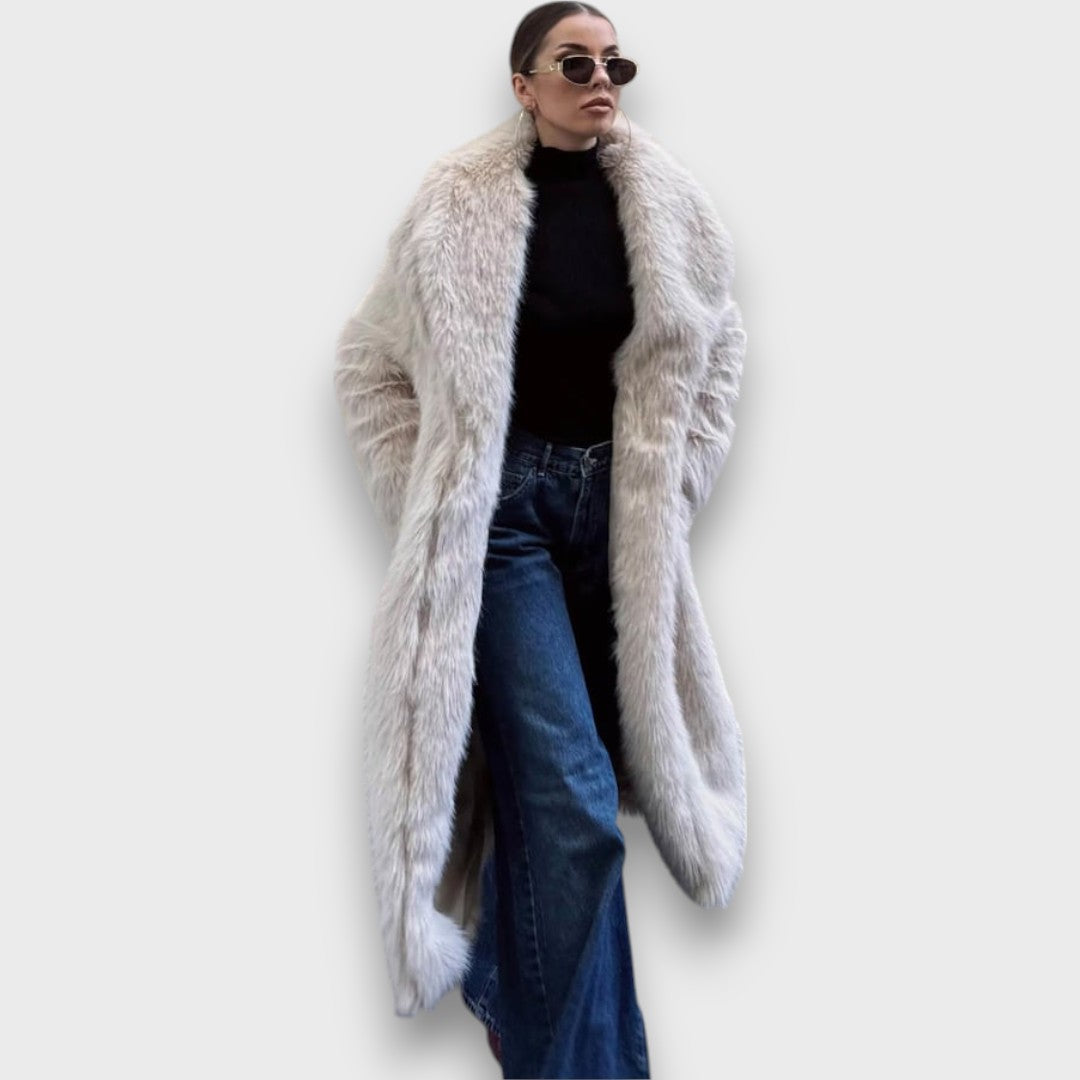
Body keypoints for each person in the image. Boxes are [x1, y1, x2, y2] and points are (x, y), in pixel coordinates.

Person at [334, 3, 749, 1077]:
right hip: (506, 524)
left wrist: (675, 484)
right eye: (576, 62)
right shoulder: (455, 203)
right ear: (523, 84)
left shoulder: (672, 205)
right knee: (575, 804)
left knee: (553, 799)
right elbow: (367, 364)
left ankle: (519, 1008)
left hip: (618, 522)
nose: (602, 78)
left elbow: (719, 350)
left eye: (616, 62)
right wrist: (432, 502)